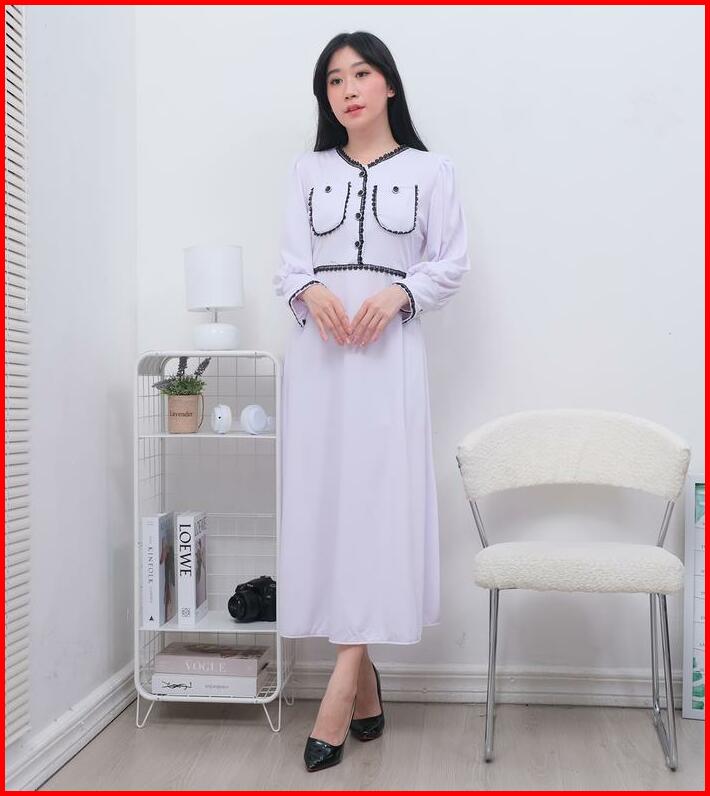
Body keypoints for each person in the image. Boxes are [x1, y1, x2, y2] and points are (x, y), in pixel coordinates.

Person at [272, 31, 471, 772]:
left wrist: (399, 292)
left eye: (361, 74)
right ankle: (363, 687)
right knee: (328, 507)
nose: (348, 89)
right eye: (334, 80)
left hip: (390, 362)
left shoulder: (431, 171)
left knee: (378, 507)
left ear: (389, 84)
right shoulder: (307, 171)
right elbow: (288, 266)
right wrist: (311, 288)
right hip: (320, 362)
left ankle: (341, 686)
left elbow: (451, 263)